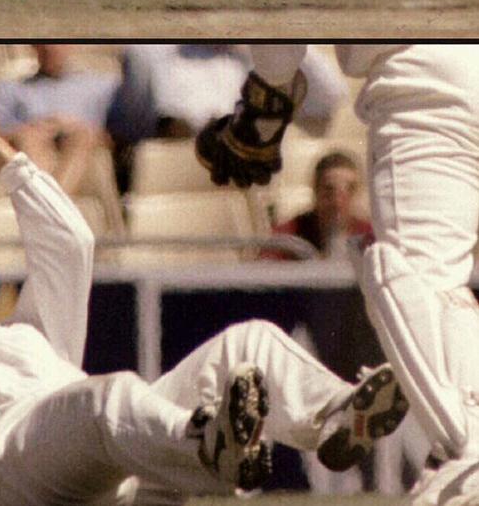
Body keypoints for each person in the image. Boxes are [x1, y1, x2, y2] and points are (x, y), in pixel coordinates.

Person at [0, 54, 410, 506]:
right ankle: (208, 445)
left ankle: (338, 419)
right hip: (14, 468)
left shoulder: (22, 337)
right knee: (111, 397)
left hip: (107, 463)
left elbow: (70, 245)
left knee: (250, 342)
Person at [196, 43, 479, 506]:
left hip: (429, 78)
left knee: (417, 276)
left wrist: (268, 98)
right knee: (430, 278)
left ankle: (468, 459)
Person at [0, 43, 119, 195]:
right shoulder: (13, 88)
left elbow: (115, 132)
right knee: (30, 139)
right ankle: (50, 204)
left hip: (82, 144)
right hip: (34, 144)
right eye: (44, 45)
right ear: (34, 47)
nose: (52, 50)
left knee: (82, 137)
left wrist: (71, 126)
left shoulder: (99, 85)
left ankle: (50, 203)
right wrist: (35, 128)